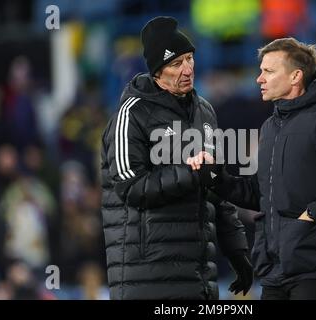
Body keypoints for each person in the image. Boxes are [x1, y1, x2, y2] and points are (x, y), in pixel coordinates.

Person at [188, 37, 316, 300]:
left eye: (268, 71)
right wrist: (217, 177)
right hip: (275, 264)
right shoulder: (270, 126)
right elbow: (260, 193)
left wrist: (311, 213)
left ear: (296, 76)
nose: (259, 79)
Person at [100, 16, 252, 300]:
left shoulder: (205, 111)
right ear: (157, 72)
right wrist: (189, 173)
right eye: (176, 63)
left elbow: (217, 185)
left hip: (198, 275)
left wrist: (236, 248)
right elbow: (129, 186)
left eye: (190, 59)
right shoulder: (131, 114)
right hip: (145, 276)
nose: (187, 69)